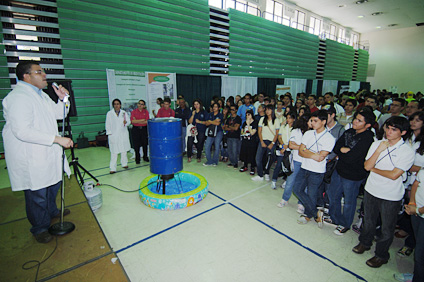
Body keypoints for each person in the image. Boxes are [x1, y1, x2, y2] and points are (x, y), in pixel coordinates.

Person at [3, 61, 73, 243]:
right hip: (32, 156)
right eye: (39, 72)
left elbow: (60, 114)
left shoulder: (41, 96)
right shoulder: (18, 97)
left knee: (52, 185)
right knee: (37, 194)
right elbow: (22, 131)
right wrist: (57, 139)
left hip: (48, 152)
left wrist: (63, 99)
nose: (44, 75)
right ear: (26, 76)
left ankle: (52, 212)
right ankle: (40, 227)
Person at [352, 116, 414, 268]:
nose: (388, 132)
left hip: (390, 195)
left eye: (394, 130)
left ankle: (381, 255)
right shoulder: (377, 144)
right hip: (371, 189)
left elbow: (394, 175)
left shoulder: (406, 151)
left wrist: (374, 169)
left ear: (403, 132)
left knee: (387, 228)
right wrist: (379, 150)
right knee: (369, 220)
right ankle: (364, 243)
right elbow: (367, 166)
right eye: (388, 127)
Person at [327, 108, 375, 235]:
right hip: (339, 170)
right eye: (355, 119)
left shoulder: (368, 138)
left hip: (353, 175)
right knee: (332, 194)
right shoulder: (349, 131)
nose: (355, 122)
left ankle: (345, 223)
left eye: (359, 121)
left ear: (368, 125)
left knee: (349, 201)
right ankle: (335, 218)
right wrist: (343, 150)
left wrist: (344, 152)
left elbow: (354, 157)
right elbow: (336, 148)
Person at [293, 110, 335, 227]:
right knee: (297, 189)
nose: (312, 123)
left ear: (323, 122)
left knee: (311, 194)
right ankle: (316, 213)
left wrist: (307, 151)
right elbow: (301, 152)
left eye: (315, 121)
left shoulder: (329, 138)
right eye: (311, 120)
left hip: (317, 172)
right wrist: (313, 154)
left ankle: (307, 214)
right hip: (304, 167)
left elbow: (321, 157)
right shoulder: (308, 134)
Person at [277, 114, 311, 207]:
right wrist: (304, 147)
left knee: (304, 183)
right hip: (296, 160)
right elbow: (291, 145)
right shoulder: (296, 131)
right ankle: (285, 198)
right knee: (290, 180)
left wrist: (299, 146)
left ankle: (301, 203)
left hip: (307, 161)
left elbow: (313, 149)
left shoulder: (313, 133)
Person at [251, 104, 280, 181]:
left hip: (271, 142)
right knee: (258, 158)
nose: (267, 111)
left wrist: (272, 143)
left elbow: (277, 133)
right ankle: (260, 175)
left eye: (269, 109)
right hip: (263, 141)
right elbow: (259, 131)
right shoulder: (262, 119)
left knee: (270, 159)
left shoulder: (276, 120)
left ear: (272, 110)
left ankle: (266, 172)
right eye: (266, 109)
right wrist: (262, 142)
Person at [106, 99, 131, 174]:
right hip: (114, 135)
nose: (116, 105)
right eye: (115, 104)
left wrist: (126, 123)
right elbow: (107, 124)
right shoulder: (110, 113)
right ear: (113, 105)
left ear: (120, 105)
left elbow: (129, 122)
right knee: (114, 152)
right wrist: (110, 134)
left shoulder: (124, 113)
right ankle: (112, 168)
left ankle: (124, 164)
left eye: (118, 104)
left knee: (124, 150)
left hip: (123, 134)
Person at [271, 112, 296, 189]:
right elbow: (279, 137)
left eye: (290, 118)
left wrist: (287, 147)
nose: (288, 120)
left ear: (294, 119)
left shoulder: (296, 129)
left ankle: (286, 181)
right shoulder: (283, 127)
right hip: (282, 148)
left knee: (288, 166)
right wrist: (283, 146)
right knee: (278, 165)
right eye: (287, 118)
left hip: (291, 150)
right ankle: (274, 181)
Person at [130, 100, 149, 164]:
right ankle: (137, 158)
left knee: (145, 144)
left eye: (142, 104)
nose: (140, 105)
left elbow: (147, 121)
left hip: (144, 129)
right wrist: (142, 120)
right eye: (139, 104)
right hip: (136, 129)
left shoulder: (146, 112)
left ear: (144, 106)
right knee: (136, 145)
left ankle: (145, 156)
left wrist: (137, 120)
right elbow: (132, 121)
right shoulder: (133, 112)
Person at [240, 110, 258, 175]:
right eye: (246, 115)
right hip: (245, 140)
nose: (247, 116)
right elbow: (242, 131)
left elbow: (252, 132)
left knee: (252, 154)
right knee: (245, 153)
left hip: (252, 142)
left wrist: (248, 124)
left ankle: (252, 167)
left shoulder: (255, 122)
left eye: (249, 115)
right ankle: (245, 166)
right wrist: (243, 132)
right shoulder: (244, 123)